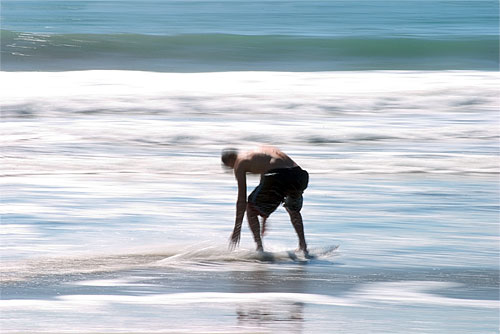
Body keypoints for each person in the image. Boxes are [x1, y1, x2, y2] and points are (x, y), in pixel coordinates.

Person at [221, 145, 309, 256]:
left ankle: (259, 249)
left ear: (230, 161)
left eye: (229, 167)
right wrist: (264, 217)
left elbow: (241, 199)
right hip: (299, 176)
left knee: (250, 208)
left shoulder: (239, 162)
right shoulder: (260, 153)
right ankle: (303, 246)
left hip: (279, 175)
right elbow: (266, 191)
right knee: (292, 209)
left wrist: (236, 229)